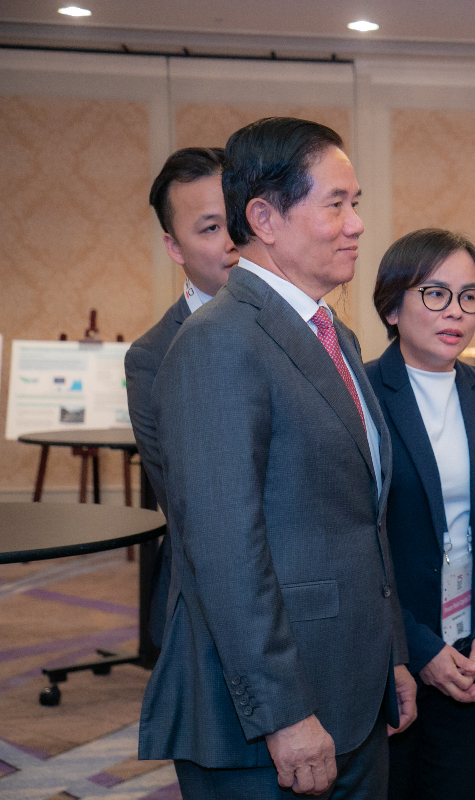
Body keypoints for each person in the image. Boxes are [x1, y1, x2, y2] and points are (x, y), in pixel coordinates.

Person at [139, 117, 418, 799]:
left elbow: (361, 519)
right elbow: (224, 549)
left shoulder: (332, 332)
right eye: (336, 204)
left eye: (356, 203)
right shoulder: (219, 341)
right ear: (264, 218)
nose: (356, 224)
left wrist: (391, 657)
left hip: (352, 690)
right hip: (270, 724)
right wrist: (283, 714)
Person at [365, 229, 475, 800]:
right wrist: (418, 648)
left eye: (469, 296)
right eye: (435, 294)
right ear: (392, 306)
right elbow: (354, 543)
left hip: (473, 654)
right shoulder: (360, 393)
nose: (456, 311)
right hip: (391, 656)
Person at [125, 146, 239, 649]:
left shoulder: (314, 326)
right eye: (211, 228)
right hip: (211, 602)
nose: (234, 241)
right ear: (175, 247)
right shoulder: (153, 356)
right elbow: (187, 504)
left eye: (239, 218)